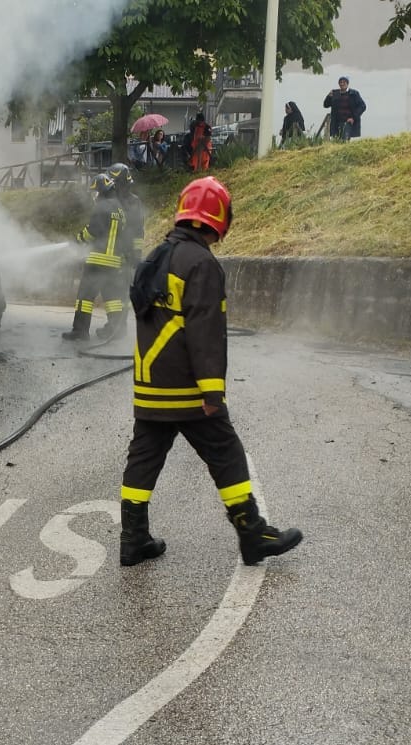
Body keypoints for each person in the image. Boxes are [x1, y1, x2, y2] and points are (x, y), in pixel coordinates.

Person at [119, 176, 303, 568]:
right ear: (216, 218)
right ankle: (253, 534)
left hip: (150, 384)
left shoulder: (156, 257)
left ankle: (132, 540)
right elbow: (205, 334)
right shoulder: (201, 263)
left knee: (143, 459)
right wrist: (213, 393)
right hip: (187, 387)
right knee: (227, 453)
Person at [61, 173, 127, 341]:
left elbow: (92, 232)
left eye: (96, 191)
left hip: (97, 261)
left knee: (85, 298)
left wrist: (77, 239)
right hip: (114, 262)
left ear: (103, 190)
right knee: (112, 298)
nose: (95, 195)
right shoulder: (120, 209)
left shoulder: (102, 206)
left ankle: (80, 332)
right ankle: (115, 331)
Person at [102, 162, 143, 339]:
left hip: (124, 253)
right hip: (111, 252)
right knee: (110, 291)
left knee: (121, 292)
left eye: (115, 182)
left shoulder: (134, 202)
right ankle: (114, 325)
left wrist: (136, 254)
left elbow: (138, 230)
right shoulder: (112, 201)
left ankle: (118, 327)